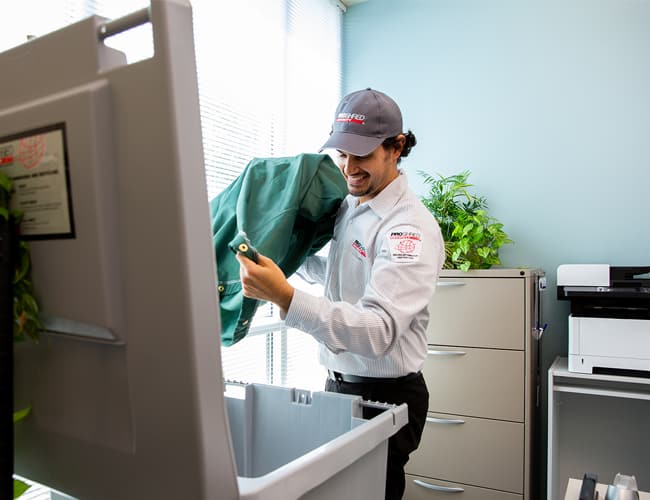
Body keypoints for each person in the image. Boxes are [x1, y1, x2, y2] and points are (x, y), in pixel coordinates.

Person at [235, 88, 445, 500]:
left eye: (361, 155)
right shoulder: (354, 204)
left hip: (385, 398)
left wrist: (286, 298)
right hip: (340, 386)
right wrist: (285, 258)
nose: (348, 167)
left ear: (396, 147)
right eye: (341, 154)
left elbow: (377, 330)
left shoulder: (408, 229)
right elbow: (338, 273)